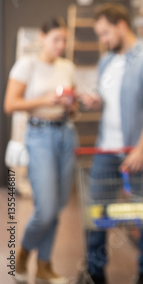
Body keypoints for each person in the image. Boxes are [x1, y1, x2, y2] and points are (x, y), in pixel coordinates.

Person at [79, 3, 143, 284]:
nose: (103, 40)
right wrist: (95, 99)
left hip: (135, 150)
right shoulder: (107, 61)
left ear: (121, 26)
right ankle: (95, 271)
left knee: (142, 214)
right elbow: (107, 95)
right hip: (106, 149)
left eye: (105, 33)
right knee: (96, 212)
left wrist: (141, 149)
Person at [4, 17, 78, 284]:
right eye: (56, 39)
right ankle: (23, 251)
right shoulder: (27, 64)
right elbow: (10, 104)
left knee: (58, 207)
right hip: (39, 136)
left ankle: (45, 265)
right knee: (45, 209)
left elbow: (73, 106)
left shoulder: (67, 67)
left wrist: (77, 103)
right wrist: (45, 99)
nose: (61, 45)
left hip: (66, 135)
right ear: (42, 38)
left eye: (64, 40)